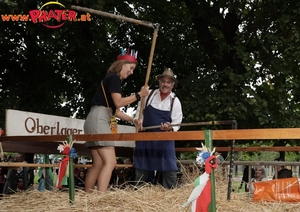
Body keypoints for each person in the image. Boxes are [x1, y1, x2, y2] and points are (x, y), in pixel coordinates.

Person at [83, 48, 149, 193]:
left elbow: (116, 111)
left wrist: (133, 120)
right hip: (100, 119)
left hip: (94, 118)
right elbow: (118, 103)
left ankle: (87, 197)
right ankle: (101, 197)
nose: (131, 72)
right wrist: (139, 95)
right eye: (131, 68)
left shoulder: (109, 79)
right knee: (111, 162)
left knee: (99, 163)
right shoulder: (114, 79)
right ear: (123, 64)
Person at [134, 68, 183, 189]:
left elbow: (177, 123)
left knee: (169, 168)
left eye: (168, 82)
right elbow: (138, 115)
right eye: (163, 81)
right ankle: (139, 193)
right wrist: (137, 122)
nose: (165, 84)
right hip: (146, 137)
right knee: (141, 168)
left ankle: (170, 195)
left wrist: (169, 128)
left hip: (165, 140)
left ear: (172, 85)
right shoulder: (148, 95)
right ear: (159, 82)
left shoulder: (175, 101)